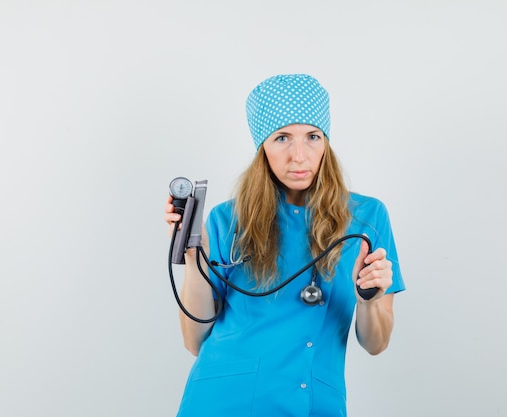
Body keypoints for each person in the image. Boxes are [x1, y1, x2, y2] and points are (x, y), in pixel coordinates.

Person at [164, 74, 405, 416]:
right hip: (220, 400)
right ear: (262, 146)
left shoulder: (366, 218)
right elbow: (194, 340)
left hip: (311, 403)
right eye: (282, 138)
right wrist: (194, 254)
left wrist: (370, 297)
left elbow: (376, 343)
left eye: (312, 137)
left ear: (326, 141)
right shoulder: (225, 219)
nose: (299, 155)